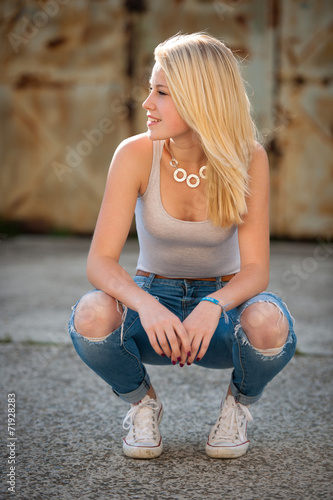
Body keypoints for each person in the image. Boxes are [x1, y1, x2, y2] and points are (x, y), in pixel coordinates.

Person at [68, 32, 296, 460]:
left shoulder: (249, 158)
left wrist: (214, 305)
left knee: (269, 324)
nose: (146, 104)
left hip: (222, 309)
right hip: (152, 302)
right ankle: (143, 404)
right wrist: (147, 305)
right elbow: (100, 261)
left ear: (200, 98)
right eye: (150, 90)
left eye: (161, 92)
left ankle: (236, 407)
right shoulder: (135, 154)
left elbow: (256, 271)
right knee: (91, 314)